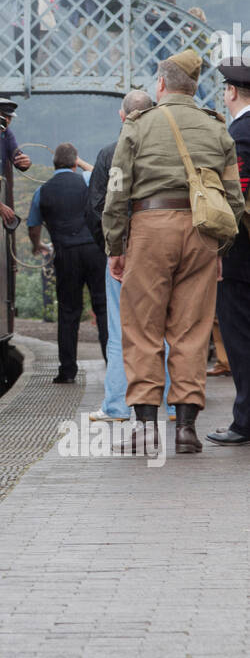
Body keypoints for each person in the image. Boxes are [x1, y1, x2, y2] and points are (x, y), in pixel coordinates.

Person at [102, 49, 244, 455]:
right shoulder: (216, 128)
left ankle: (146, 429)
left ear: (160, 84)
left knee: (142, 327)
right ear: (194, 87)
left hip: (149, 229)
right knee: (192, 330)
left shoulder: (138, 126)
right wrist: (219, 246)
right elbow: (233, 199)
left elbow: (117, 192)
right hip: (201, 233)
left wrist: (116, 245)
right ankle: (185, 430)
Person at [85, 90, 176, 422]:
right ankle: (170, 403)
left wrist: (113, 249)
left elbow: (95, 207)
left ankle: (118, 405)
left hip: (124, 251)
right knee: (166, 325)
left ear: (122, 117)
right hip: (167, 248)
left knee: (122, 329)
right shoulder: (170, 150)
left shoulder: (110, 153)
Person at [27, 142, 108, 383]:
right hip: (95, 251)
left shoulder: (42, 191)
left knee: (68, 312)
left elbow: (33, 226)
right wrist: (80, 162)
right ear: (75, 163)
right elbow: (98, 173)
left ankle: (67, 371)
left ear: (53, 164)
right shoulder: (85, 179)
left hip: (65, 254)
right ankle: (112, 365)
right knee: (103, 308)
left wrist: (37, 245)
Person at [207, 59, 250, 444]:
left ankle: (245, 420)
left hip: (242, 254)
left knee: (239, 336)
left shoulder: (238, 133)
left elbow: (233, 196)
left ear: (231, 92)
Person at [0, 99, 31, 208]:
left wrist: (25, 162)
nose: (6, 120)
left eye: (9, 118)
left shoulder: (6, 134)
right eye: (3, 116)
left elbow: (16, 154)